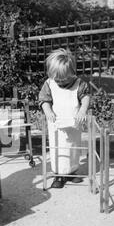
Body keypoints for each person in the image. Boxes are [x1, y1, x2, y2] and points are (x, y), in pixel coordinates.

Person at [39, 48, 90, 189]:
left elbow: (85, 97)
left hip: (74, 123)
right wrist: (48, 111)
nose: (61, 82)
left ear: (72, 72)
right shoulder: (49, 84)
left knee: (73, 147)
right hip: (57, 123)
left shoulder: (80, 84)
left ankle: (72, 172)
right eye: (58, 79)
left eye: (65, 79)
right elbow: (44, 100)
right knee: (59, 148)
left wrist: (83, 110)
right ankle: (59, 174)